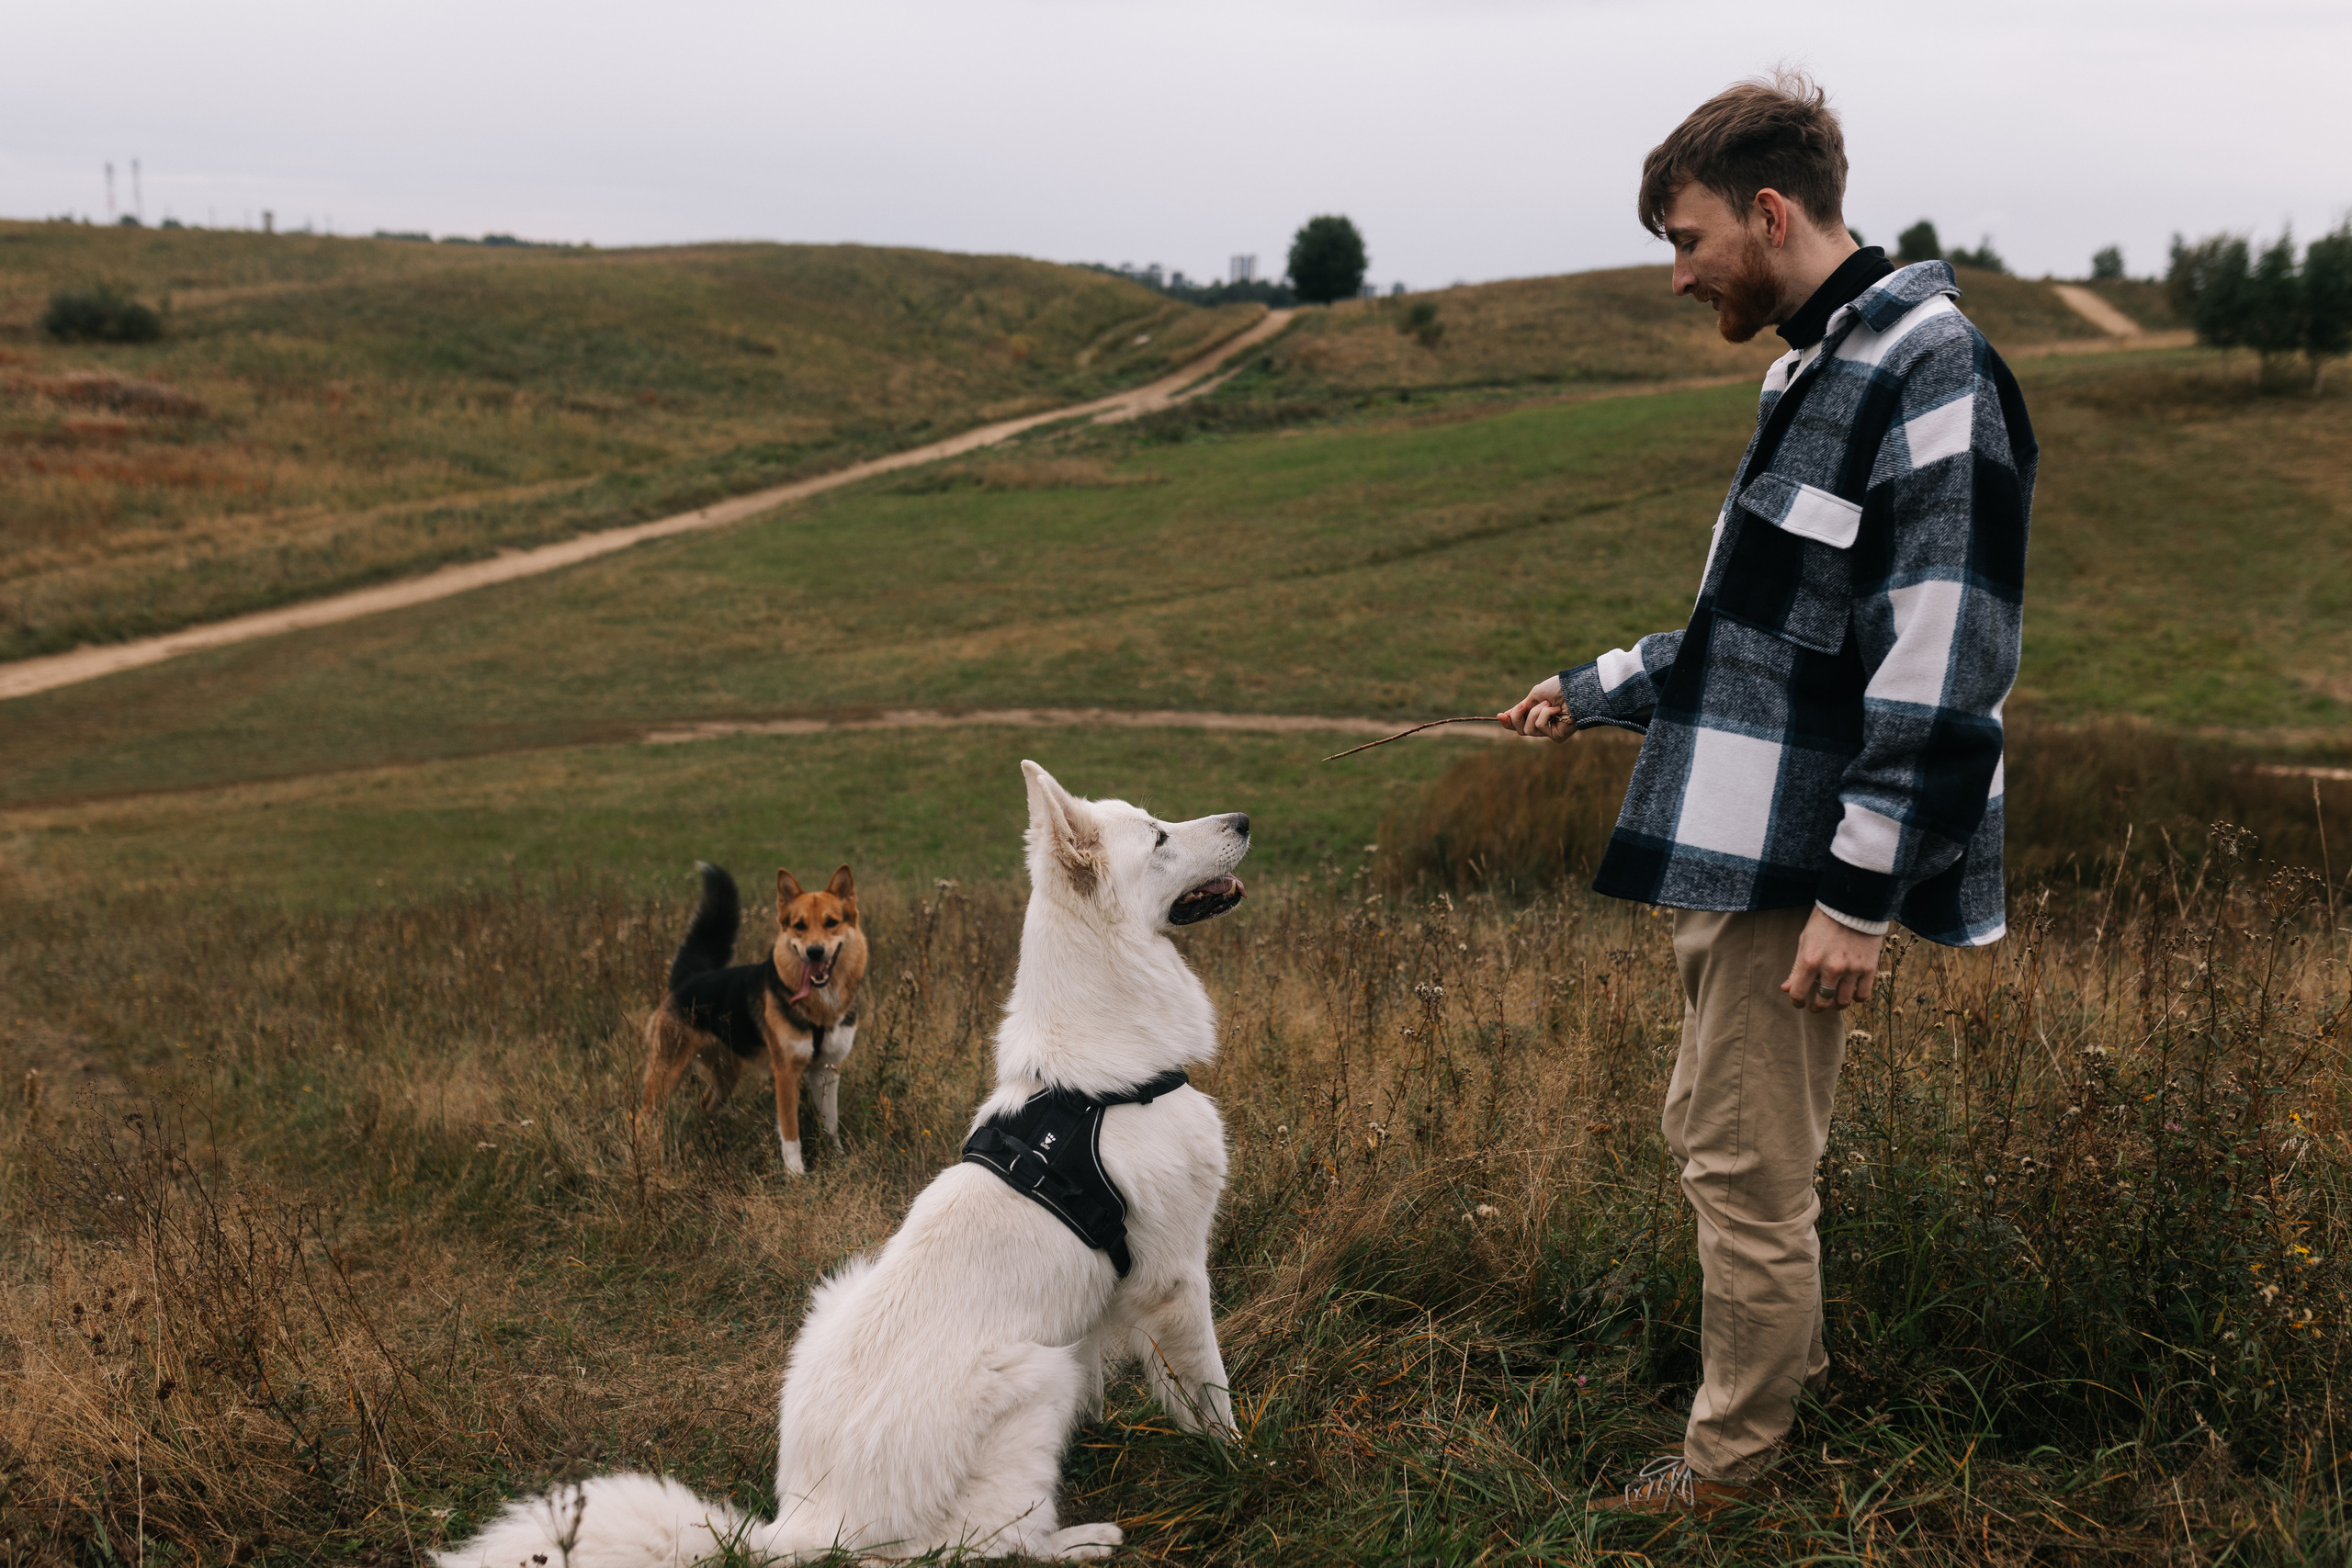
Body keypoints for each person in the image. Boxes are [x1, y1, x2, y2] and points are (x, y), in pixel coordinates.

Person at [1498, 72, 2034, 1516]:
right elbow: (1764, 633)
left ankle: (1727, 1480)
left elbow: (1943, 661)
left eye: (1687, 241)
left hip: (1804, 865)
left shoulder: (1931, 367)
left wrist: (1858, 898)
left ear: (1772, 211)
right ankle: (1751, 1421)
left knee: (1745, 1171)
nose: (1679, 275)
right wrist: (1599, 686)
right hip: (1735, 848)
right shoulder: (1814, 373)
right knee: (1721, 1144)